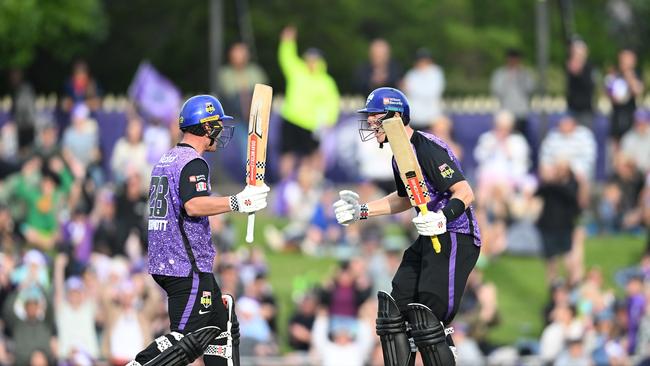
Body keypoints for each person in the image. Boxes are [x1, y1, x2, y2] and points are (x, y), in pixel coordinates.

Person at [333, 87, 481, 365]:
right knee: (395, 313)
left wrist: (442, 218)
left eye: (375, 117)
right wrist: (362, 211)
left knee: (428, 315)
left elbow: (464, 192)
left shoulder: (427, 147)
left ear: (394, 116)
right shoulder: (398, 156)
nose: (370, 124)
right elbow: (404, 198)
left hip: (455, 236)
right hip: (428, 237)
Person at [128, 95, 270, 366]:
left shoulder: (168, 158)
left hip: (171, 261)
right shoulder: (193, 162)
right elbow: (193, 205)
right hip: (185, 265)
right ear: (206, 128)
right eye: (217, 124)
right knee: (185, 339)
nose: (220, 130)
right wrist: (237, 201)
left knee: (221, 329)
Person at [278, 25, 340, 179]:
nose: (311, 62)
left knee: (309, 158)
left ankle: (308, 184)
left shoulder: (326, 81)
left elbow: (332, 102)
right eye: (309, 59)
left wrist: (330, 120)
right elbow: (286, 57)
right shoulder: (297, 71)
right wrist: (287, 41)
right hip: (291, 119)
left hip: (311, 124)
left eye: (314, 59)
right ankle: (284, 185)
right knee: (287, 155)